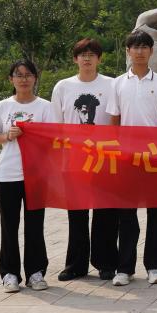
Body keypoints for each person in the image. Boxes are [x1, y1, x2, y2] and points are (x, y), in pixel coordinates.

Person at [105, 30, 157, 286]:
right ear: (128, 51)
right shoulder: (118, 83)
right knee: (126, 214)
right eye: (135, 47)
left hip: (155, 157)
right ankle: (124, 268)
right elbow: (114, 120)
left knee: (156, 213)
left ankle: (155, 266)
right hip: (127, 157)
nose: (140, 51)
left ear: (151, 51)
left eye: (144, 47)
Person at [50, 38, 114, 283]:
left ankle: (105, 262)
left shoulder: (112, 84)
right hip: (74, 159)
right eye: (82, 54)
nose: (87, 58)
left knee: (105, 213)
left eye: (92, 54)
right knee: (77, 213)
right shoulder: (63, 87)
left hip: (105, 158)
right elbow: (56, 125)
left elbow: (117, 120)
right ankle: (76, 264)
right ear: (75, 59)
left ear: (99, 58)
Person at [0, 59, 54, 293]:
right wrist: (9, 135)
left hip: (37, 175)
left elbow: (53, 139)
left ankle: (36, 272)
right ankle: (9, 274)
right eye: (18, 75)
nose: (23, 79)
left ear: (35, 78)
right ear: (11, 79)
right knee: (9, 225)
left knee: (35, 225)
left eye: (28, 75)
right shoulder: (2, 106)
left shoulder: (46, 107)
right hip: (8, 174)